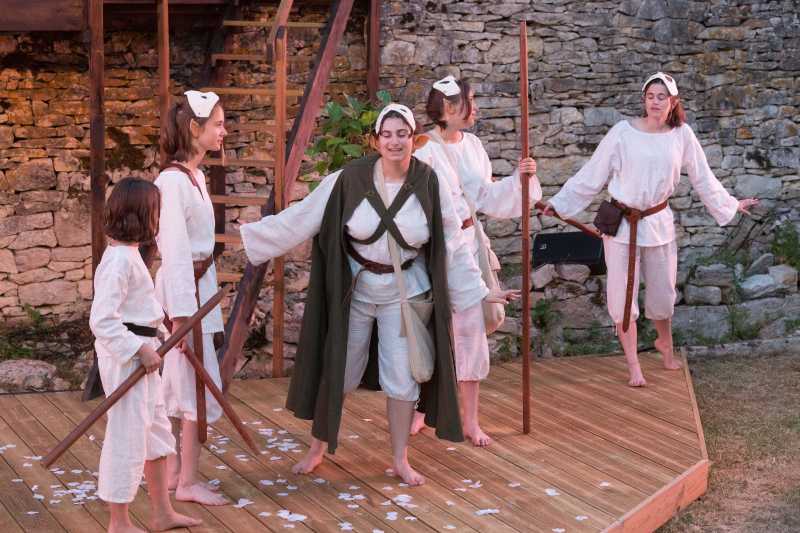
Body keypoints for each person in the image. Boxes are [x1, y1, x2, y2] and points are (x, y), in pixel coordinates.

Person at [240, 103, 516, 486]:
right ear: (376, 141)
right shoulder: (349, 179)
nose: (394, 141)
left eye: (402, 134)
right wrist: (249, 239)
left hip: (406, 292)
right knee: (341, 368)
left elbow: (452, 244)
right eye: (387, 134)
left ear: (414, 140)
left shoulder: (429, 182)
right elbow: (303, 216)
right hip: (356, 290)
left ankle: (400, 459)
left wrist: (481, 292)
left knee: (403, 377)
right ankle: (317, 448)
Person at [543, 72, 759, 386]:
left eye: (662, 97)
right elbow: (592, 173)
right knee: (622, 297)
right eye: (650, 96)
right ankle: (634, 366)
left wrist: (730, 204)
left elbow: (703, 177)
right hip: (622, 226)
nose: (655, 102)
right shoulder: (622, 133)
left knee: (663, 295)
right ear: (644, 100)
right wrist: (560, 203)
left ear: (673, 102)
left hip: (658, 224)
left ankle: (664, 346)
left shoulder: (681, 135)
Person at [411, 75, 541, 446]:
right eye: (471, 102)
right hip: (438, 249)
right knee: (432, 330)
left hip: (469, 242)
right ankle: (423, 408)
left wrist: (519, 179)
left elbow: (487, 197)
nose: (477, 109)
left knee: (471, 332)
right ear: (450, 108)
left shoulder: (474, 145)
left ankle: (470, 420)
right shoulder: (423, 149)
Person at [90, 177, 202, 533]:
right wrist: (139, 348)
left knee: (154, 433)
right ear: (141, 214)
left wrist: (164, 337)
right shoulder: (118, 260)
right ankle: (119, 522)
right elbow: (102, 320)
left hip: (145, 356)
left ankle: (162, 513)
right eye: (156, 211)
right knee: (127, 436)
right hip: (127, 361)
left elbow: (141, 310)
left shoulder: (130, 256)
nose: (159, 217)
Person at [155, 90, 229, 505]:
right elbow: (175, 251)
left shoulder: (194, 176)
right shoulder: (171, 182)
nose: (223, 131)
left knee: (183, 386)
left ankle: (174, 476)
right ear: (194, 128)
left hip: (198, 288)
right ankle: (186, 482)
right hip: (183, 294)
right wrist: (181, 317)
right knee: (190, 390)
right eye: (217, 124)